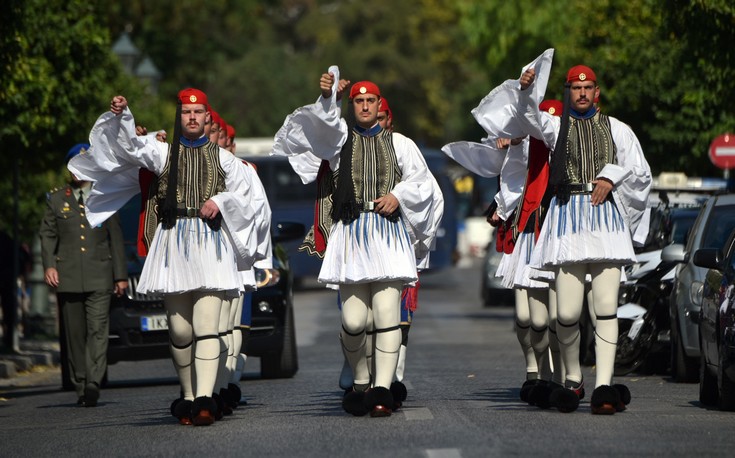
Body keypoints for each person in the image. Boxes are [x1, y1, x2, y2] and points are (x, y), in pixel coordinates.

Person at [67, 89, 271, 426]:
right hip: (173, 243)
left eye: (198, 112)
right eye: (186, 112)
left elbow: (250, 200)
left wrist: (221, 201)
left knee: (206, 328)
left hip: (211, 245)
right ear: (180, 117)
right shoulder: (163, 154)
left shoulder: (226, 161)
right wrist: (123, 116)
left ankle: (204, 401)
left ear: (208, 117)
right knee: (179, 331)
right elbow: (131, 147)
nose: (192, 117)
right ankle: (189, 395)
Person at [479, 51, 651, 414]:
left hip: (604, 224)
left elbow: (639, 172)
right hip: (567, 222)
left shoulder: (618, 129)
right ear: (568, 91)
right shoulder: (557, 127)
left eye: (588, 88)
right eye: (576, 88)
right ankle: (573, 379)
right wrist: (526, 91)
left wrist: (609, 176)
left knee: (605, 308)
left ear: (598, 92)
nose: (583, 93)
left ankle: (604, 386)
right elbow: (529, 119)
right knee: (567, 314)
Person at [273, 67, 443, 417]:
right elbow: (320, 128)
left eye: (370, 101)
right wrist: (327, 97)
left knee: (386, 317)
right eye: (359, 101)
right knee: (353, 322)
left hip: (387, 234)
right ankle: (362, 379)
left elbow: (424, 184)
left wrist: (399, 195)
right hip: (351, 235)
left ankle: (382, 390)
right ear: (351, 106)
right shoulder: (338, 143)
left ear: (380, 104)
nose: (365, 106)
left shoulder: (401, 144)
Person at [39, 143, 128, 407]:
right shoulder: (57, 199)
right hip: (67, 276)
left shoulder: (104, 196)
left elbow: (115, 237)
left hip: (100, 274)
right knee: (74, 334)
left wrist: (120, 276)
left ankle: (93, 381)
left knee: (98, 330)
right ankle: (80, 382)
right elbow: (47, 235)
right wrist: (49, 265)